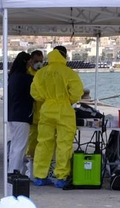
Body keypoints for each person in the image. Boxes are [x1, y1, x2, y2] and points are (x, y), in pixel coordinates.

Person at [29, 45, 84, 189]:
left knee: (43, 143)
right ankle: (61, 177)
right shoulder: (69, 73)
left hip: (46, 109)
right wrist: (67, 100)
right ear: (64, 56)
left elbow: (34, 93)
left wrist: (47, 99)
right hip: (64, 110)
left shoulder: (41, 73)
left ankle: (40, 176)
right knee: (64, 144)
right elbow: (77, 92)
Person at [5, 52, 35, 177]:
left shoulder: (12, 76)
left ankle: (12, 170)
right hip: (22, 116)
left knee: (15, 146)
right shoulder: (26, 78)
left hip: (12, 115)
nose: (31, 65)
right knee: (20, 146)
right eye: (30, 62)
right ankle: (14, 172)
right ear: (25, 62)